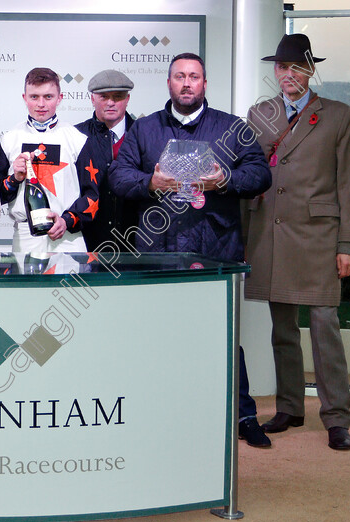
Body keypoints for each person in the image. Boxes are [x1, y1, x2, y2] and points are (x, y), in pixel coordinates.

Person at [108, 53, 273, 448]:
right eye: (179, 76)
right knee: (156, 336)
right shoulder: (144, 129)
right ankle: (158, 411)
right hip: (157, 250)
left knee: (224, 336)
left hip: (214, 247)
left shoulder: (233, 128)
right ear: (168, 83)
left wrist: (225, 179)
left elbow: (261, 173)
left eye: (194, 77)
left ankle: (243, 415)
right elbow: (118, 176)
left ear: (204, 83)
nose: (186, 83)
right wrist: (152, 182)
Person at [245, 34, 350, 451]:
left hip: (319, 238)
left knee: (324, 327)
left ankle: (336, 417)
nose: (288, 75)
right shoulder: (259, 114)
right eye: (282, 67)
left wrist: (349, 243)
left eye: (297, 67)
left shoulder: (338, 115)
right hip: (271, 234)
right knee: (282, 328)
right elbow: (250, 174)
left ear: (310, 71)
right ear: (274, 71)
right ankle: (290, 407)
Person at [0, 67, 99, 253]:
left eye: (48, 97)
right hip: (25, 238)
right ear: (24, 98)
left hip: (67, 237)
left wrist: (67, 221)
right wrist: (14, 179)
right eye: (34, 97)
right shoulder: (8, 140)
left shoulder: (78, 140)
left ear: (60, 98)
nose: (41, 103)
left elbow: (92, 197)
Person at [75, 69, 138, 251]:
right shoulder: (75, 136)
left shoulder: (144, 134)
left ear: (127, 99)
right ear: (92, 99)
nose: (111, 102)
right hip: (87, 242)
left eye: (118, 97)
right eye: (104, 97)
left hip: (137, 243)